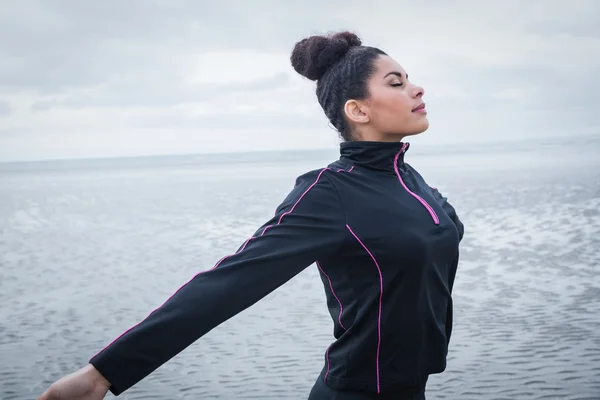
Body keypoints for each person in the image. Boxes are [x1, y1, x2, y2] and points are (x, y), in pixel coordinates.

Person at [38, 31, 464, 400]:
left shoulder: (409, 180)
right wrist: (103, 374)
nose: (417, 89)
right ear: (358, 110)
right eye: (397, 82)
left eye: (409, 80)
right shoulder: (329, 193)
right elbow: (231, 282)